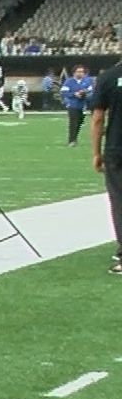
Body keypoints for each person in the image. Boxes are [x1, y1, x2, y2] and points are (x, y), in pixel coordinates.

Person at [87, 58, 122, 275]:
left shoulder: (108, 77)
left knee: (119, 200)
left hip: (117, 148)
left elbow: (97, 118)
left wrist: (96, 152)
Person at [64, 63, 94, 145]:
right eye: (78, 71)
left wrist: (84, 93)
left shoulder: (87, 81)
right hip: (72, 105)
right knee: (73, 122)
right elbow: (64, 92)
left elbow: (91, 91)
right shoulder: (69, 81)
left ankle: (75, 138)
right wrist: (74, 94)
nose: (80, 73)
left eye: (82, 72)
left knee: (80, 122)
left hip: (83, 105)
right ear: (74, 72)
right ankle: (71, 140)